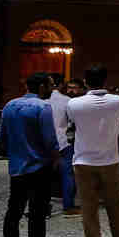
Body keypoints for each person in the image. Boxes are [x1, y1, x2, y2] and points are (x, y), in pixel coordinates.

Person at [67, 64, 119, 237]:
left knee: (89, 208)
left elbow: (72, 126)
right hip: (110, 160)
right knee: (114, 206)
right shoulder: (118, 101)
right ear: (105, 80)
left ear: (85, 82)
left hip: (83, 161)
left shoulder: (74, 104)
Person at [0, 73, 59, 237]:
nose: (52, 89)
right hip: (39, 166)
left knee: (13, 211)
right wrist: (55, 158)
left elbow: (2, 138)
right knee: (37, 212)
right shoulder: (43, 107)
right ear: (41, 86)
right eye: (50, 85)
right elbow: (50, 140)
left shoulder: (9, 106)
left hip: (17, 168)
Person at [47, 72, 78, 216]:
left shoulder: (43, 99)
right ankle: (68, 205)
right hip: (63, 141)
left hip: (45, 142)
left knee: (43, 175)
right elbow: (72, 121)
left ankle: (43, 206)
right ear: (60, 85)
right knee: (67, 174)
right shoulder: (66, 101)